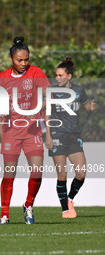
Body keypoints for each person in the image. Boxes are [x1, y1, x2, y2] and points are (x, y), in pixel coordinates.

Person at [0, 36, 50, 225]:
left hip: (33, 131)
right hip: (11, 132)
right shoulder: (2, 78)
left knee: (37, 172)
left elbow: (49, 97)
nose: (24, 63)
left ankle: (28, 205)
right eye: (20, 60)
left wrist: (36, 109)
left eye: (26, 59)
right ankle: (5, 214)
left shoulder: (35, 72)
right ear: (11, 58)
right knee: (9, 174)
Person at [45, 57, 96, 218]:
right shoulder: (51, 91)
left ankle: (69, 199)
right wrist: (48, 135)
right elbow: (47, 113)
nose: (57, 78)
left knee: (81, 173)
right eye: (56, 75)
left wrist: (90, 107)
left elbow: (86, 105)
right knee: (62, 175)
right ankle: (65, 210)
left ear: (69, 76)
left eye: (60, 75)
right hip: (57, 135)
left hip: (74, 136)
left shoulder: (79, 90)